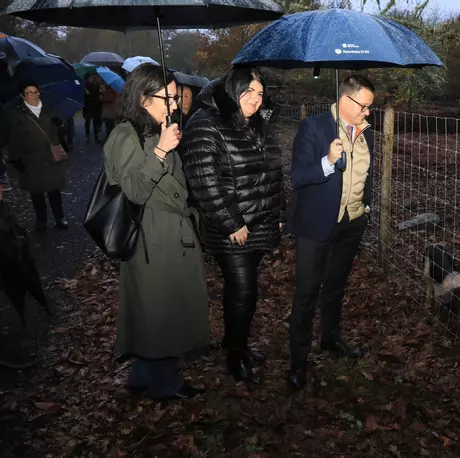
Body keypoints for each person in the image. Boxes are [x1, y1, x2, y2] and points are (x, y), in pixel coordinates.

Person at [103, 63, 210, 401]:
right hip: (150, 238)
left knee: (163, 306)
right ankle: (165, 383)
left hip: (171, 234)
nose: (175, 104)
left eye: (176, 97)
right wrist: (161, 151)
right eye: (169, 97)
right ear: (143, 98)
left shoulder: (156, 129)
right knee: (160, 309)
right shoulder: (125, 135)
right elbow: (134, 190)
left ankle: (142, 375)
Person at [181, 67, 284, 385]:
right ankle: (236, 356)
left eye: (260, 93)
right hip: (233, 229)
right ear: (232, 90)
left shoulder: (257, 123)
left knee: (243, 291)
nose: (256, 98)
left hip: (260, 223)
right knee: (243, 291)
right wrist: (231, 223)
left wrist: (278, 211)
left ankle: (235, 341)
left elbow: (272, 172)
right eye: (248, 91)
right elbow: (204, 182)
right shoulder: (205, 124)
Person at [286, 75, 376, 390]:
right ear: (346, 101)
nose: (368, 112)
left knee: (336, 286)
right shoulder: (313, 127)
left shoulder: (366, 133)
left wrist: (366, 206)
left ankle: (331, 338)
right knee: (307, 293)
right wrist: (328, 161)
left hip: (351, 224)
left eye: (370, 107)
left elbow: (368, 174)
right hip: (317, 225)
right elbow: (297, 177)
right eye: (364, 106)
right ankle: (298, 361)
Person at [1, 81, 68, 231]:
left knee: (54, 190)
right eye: (29, 92)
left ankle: (59, 217)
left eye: (35, 91)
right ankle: (41, 219)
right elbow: (13, 138)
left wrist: (61, 125)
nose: (34, 95)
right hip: (31, 159)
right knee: (36, 192)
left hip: (51, 157)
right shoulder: (16, 114)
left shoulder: (49, 110)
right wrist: (16, 159)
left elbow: (61, 133)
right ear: (22, 95)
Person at [83, 73, 103, 143]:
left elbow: (98, 94)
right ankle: (87, 136)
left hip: (95, 106)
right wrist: (85, 92)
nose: (92, 79)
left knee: (95, 122)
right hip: (88, 106)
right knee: (87, 121)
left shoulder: (97, 85)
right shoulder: (84, 86)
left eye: (92, 78)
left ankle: (96, 136)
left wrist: (101, 93)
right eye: (90, 78)